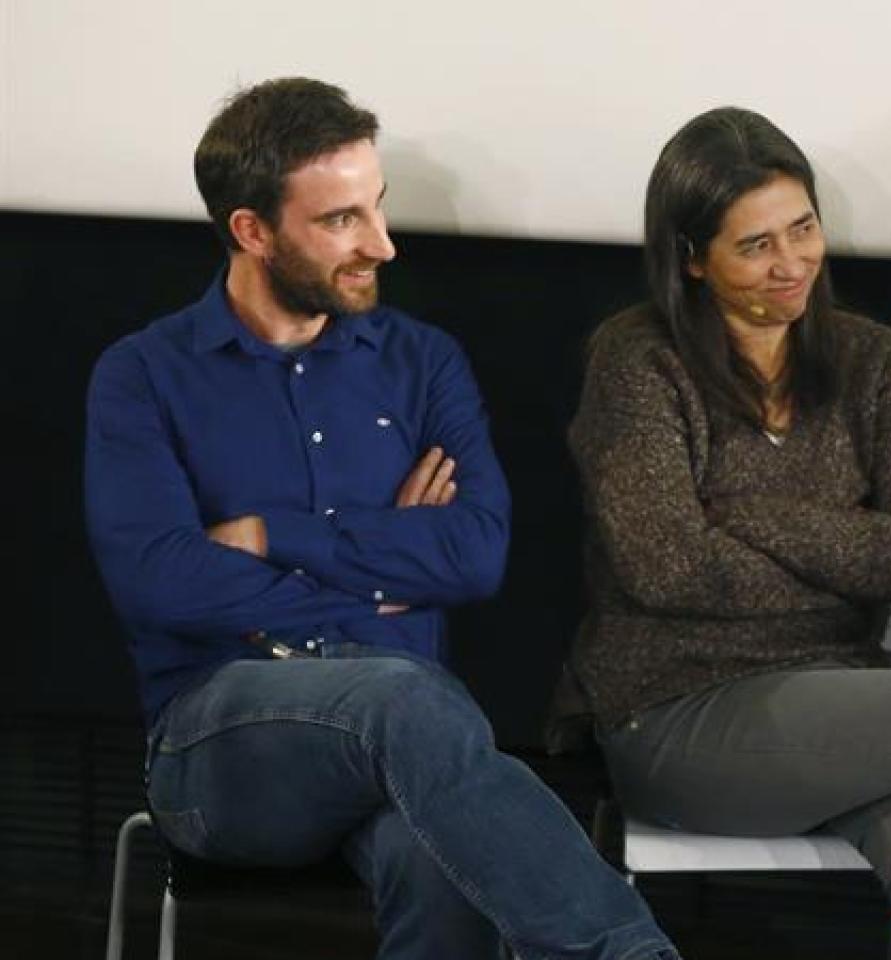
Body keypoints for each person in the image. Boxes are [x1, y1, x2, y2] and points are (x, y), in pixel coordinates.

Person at [84, 78, 678, 960]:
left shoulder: (421, 362)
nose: (384, 245)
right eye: (341, 221)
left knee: (444, 852)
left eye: (379, 208)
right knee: (409, 701)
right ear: (252, 231)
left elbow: (475, 554)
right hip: (222, 741)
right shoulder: (143, 374)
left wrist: (272, 538)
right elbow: (161, 581)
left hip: (411, 745)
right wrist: (382, 565)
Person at [553, 106, 891, 960]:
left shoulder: (875, 361)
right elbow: (667, 570)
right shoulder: (637, 360)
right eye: (755, 246)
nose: (791, 263)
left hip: (844, 704)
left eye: (803, 229)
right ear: (692, 259)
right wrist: (844, 560)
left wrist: (751, 518)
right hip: (675, 713)